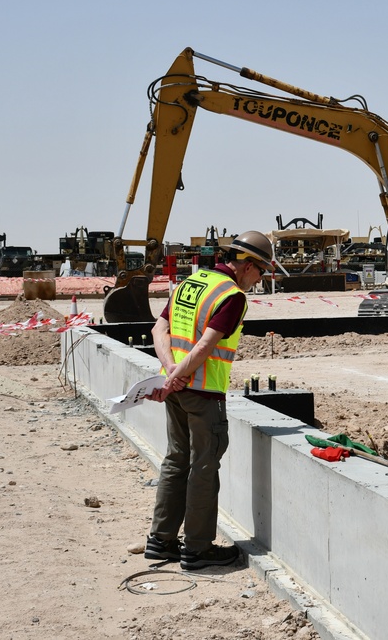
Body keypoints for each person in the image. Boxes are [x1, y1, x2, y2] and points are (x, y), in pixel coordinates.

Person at [143, 231, 274, 570]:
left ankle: (162, 540)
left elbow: (159, 330)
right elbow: (205, 346)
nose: (260, 280)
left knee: (176, 459)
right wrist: (176, 376)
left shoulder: (191, 283)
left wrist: (170, 372)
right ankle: (198, 550)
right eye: (261, 271)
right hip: (203, 394)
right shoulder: (232, 296)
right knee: (203, 466)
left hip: (175, 389)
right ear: (246, 265)